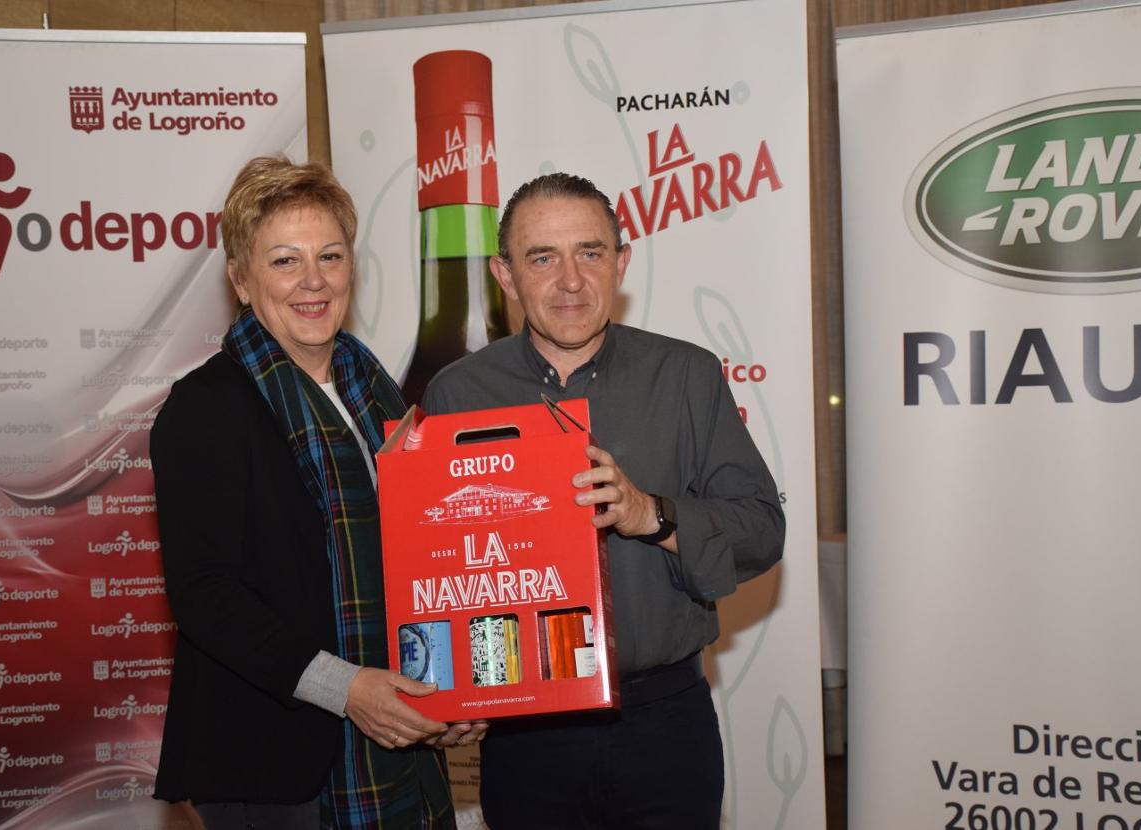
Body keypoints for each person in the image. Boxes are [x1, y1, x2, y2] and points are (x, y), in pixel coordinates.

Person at [422, 172, 785, 829]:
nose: (569, 281)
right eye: (542, 258)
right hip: (523, 737)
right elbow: (441, 569)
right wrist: (451, 687)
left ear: (621, 262)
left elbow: (763, 529)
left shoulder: (686, 375)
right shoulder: (456, 395)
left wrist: (654, 515)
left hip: (663, 726)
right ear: (504, 275)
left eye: (589, 253)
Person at [151, 156, 479, 830]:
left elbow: (428, 558)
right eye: (283, 261)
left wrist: (447, 686)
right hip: (274, 763)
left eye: (330, 255)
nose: (313, 280)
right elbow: (205, 596)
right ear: (241, 279)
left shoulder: (382, 394)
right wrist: (349, 688)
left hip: (400, 741)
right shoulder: (204, 407)